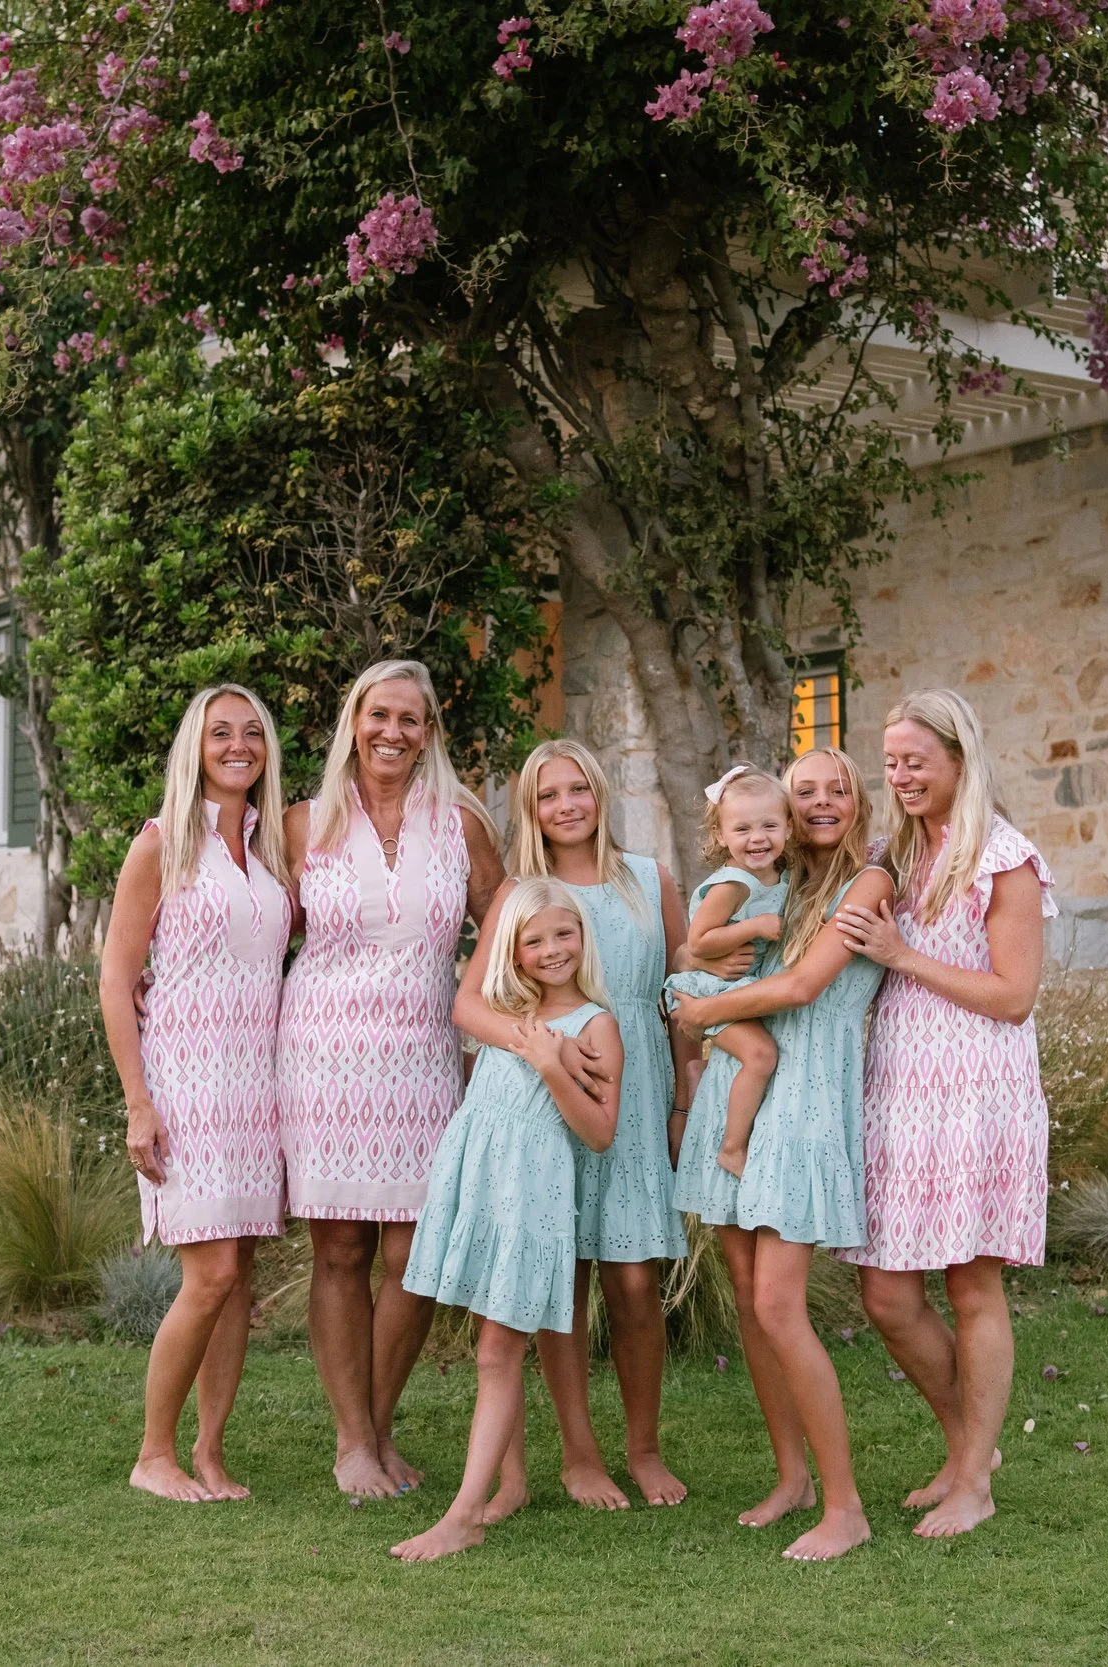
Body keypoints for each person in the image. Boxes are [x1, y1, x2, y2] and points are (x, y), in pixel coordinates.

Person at [278, 660, 505, 1499]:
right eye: (380, 715)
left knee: (413, 1251)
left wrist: (487, 1016)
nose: (393, 732)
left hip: (420, 1050)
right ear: (354, 721)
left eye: (411, 719)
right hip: (321, 1052)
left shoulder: (463, 825)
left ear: (430, 732)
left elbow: (506, 920)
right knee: (340, 1247)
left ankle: (375, 1425)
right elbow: (267, 926)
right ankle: (354, 1442)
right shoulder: (303, 824)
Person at [836, 688, 1053, 1540]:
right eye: (891, 762)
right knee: (886, 1292)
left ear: (960, 758)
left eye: (915, 761)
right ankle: (971, 1445)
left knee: (971, 1283)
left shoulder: (1005, 857)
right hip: (900, 1091)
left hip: (977, 1092)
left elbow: (1014, 994)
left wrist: (903, 955)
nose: (901, 776)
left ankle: (973, 1481)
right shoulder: (897, 852)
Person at [453, 739, 691, 1509]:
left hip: (639, 1087)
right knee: (565, 1276)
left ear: (598, 794)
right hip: (550, 1104)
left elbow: (680, 992)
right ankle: (579, 1454)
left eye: (577, 789)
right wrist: (540, 1048)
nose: (566, 805)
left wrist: (686, 1095)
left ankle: (644, 1447)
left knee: (632, 1279)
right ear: (533, 809)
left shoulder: (651, 878)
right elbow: (470, 1003)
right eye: (549, 794)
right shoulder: (527, 890)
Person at [669, 747, 889, 1562]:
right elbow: (698, 947)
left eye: (839, 788)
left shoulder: (867, 882)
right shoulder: (773, 880)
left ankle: (845, 1506)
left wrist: (700, 1007)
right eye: (807, 792)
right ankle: (791, 1475)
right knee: (751, 1298)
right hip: (744, 1085)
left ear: (859, 800)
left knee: (778, 1306)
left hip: (800, 1099)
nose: (822, 802)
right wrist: (692, 978)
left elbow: (800, 988)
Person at [101, 685, 293, 1502]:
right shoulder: (159, 844)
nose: (239, 745)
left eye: (253, 733)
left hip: (258, 1083)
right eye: (222, 732)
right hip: (186, 1079)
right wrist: (137, 1100)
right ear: (196, 745)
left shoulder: (270, 847)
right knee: (209, 1273)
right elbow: (115, 976)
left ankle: (210, 1451)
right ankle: (154, 1453)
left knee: (239, 1276)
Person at [394, 880, 624, 1561]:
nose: (552, 949)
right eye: (535, 939)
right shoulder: (506, 1009)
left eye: (563, 934)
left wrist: (553, 1066)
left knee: (499, 1349)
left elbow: (600, 1132)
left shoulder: (596, 1025)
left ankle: (462, 1514)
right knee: (488, 1338)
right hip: (483, 1184)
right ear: (514, 951)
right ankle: (512, 1479)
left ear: (582, 938)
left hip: (532, 1198)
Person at [661, 765, 790, 1178]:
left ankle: (702, 1071)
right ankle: (732, 1148)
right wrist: (753, 927)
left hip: (732, 987)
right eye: (743, 829)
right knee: (761, 1055)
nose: (757, 838)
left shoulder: (779, 877)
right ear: (721, 836)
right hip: (706, 987)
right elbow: (698, 942)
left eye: (770, 825)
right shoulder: (733, 883)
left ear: (789, 827)